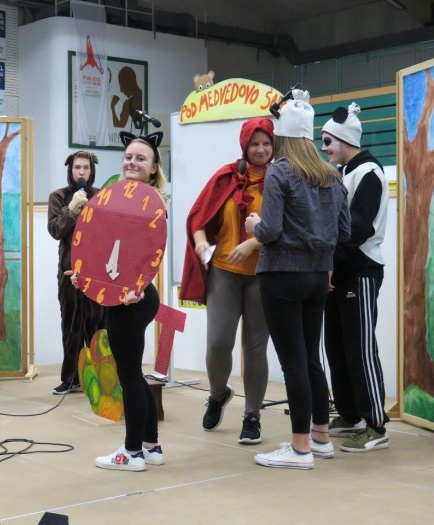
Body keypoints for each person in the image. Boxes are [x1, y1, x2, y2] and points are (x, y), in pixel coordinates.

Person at [245, 89, 351, 470]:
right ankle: (321, 437)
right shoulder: (332, 175)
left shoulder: (280, 171)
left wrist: (254, 226)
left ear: (281, 137)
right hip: (316, 279)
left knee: (293, 363)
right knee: (310, 359)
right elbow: (345, 230)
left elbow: (271, 229)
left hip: (282, 277)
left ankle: (300, 448)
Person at [69, 132, 166, 472]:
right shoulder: (117, 198)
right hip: (127, 298)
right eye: (128, 156)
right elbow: (102, 244)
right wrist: (84, 274)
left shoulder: (151, 203)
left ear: (153, 168)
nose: (131, 162)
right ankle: (151, 446)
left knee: (128, 376)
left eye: (140, 158)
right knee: (134, 374)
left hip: (133, 300)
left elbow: (148, 254)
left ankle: (132, 452)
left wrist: (137, 286)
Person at [180, 117, 274, 445]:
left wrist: (255, 243)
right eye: (254, 144)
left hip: (263, 274)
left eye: (266, 143)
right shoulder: (225, 177)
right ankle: (218, 394)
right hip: (223, 270)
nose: (260, 149)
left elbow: (287, 227)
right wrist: (200, 243)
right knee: (218, 343)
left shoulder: (281, 179)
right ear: (244, 146)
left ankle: (252, 415)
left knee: (255, 347)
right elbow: (198, 218)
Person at [321, 103, 390, 452]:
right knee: (337, 346)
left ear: (345, 138)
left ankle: (376, 424)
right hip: (337, 271)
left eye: (327, 141)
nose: (324, 148)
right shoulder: (342, 172)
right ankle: (351, 415)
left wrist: (333, 262)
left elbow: (358, 228)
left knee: (360, 348)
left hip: (359, 270)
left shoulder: (369, 173)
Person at [47, 151, 106, 394]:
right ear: (70, 170)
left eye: (85, 168)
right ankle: (71, 377)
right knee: (71, 324)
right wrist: (71, 210)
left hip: (96, 271)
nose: (81, 172)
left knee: (97, 324)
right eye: (77, 167)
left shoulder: (101, 195)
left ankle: (101, 377)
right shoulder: (58, 196)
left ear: (92, 171)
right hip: (68, 270)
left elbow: (108, 233)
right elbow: (55, 231)